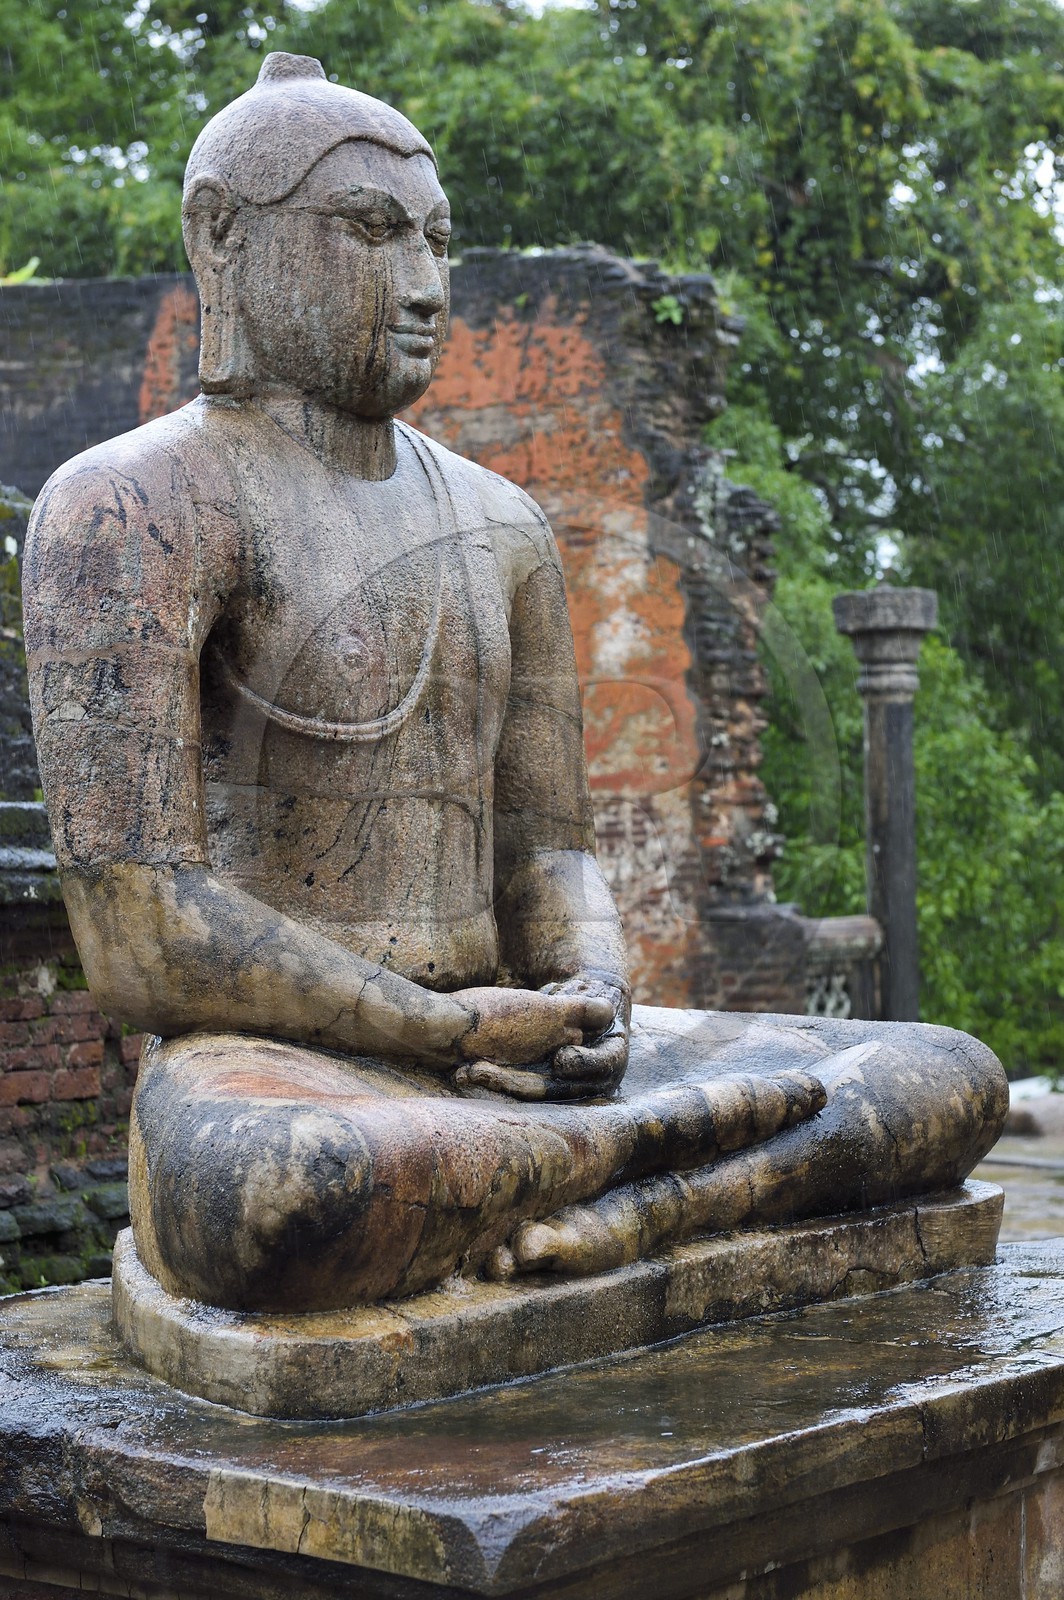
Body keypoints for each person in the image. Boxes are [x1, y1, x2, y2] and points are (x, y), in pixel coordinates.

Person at [23, 55, 1007, 1313]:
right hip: (292, 1070)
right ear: (223, 235)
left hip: (515, 1074)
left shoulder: (500, 526)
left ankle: (639, 1202)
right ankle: (647, 1191)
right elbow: (141, 930)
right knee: (280, 1195)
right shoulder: (132, 504)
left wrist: (587, 982)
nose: (425, 285)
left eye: (437, 241)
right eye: (371, 233)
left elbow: (548, 856)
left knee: (942, 1076)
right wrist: (435, 1032)